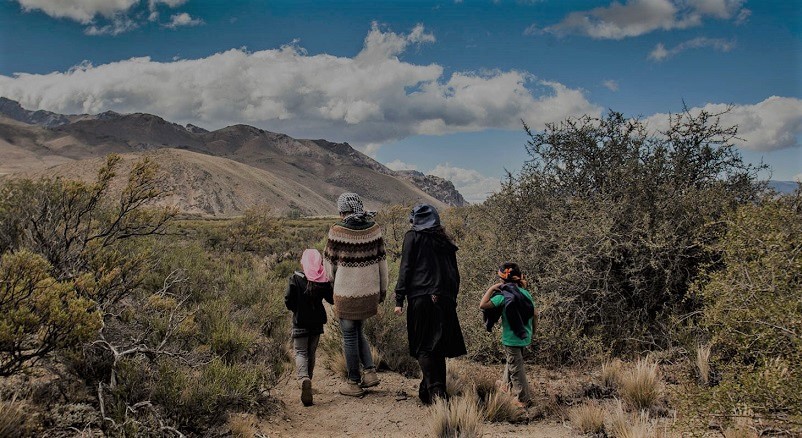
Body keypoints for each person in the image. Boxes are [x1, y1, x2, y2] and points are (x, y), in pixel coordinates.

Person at [394, 204, 467, 405]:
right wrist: (451, 299)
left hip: (421, 298)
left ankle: (437, 396)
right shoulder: (445, 241)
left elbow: (405, 268)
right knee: (438, 348)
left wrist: (399, 298)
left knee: (423, 347)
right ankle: (429, 391)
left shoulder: (412, 237)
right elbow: (455, 274)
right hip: (444, 300)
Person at [323, 192, 387, 397]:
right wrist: (382, 291)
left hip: (346, 293)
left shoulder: (336, 231)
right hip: (369, 293)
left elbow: (329, 266)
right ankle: (370, 373)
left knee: (349, 335)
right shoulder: (374, 229)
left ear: (343, 210)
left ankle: (353, 382)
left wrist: (333, 286)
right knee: (359, 331)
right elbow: (382, 263)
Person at [479, 261, 537, 407]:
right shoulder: (526, 294)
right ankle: (505, 384)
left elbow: (483, 305)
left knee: (516, 367)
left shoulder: (503, 296)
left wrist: (492, 288)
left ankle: (523, 398)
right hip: (525, 335)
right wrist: (533, 331)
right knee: (513, 361)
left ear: (502, 280)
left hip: (511, 338)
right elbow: (535, 314)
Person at [284, 249, 334, 406]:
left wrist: (295, 309)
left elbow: (288, 299)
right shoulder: (322, 281)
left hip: (300, 321)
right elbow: (332, 300)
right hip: (316, 323)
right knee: (311, 353)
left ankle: (303, 378)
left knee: (300, 352)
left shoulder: (295, 279)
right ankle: (309, 381)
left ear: (303, 262)